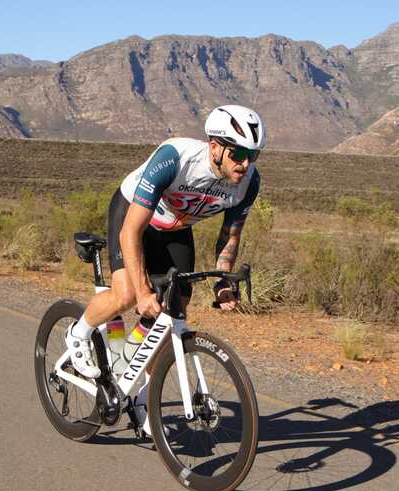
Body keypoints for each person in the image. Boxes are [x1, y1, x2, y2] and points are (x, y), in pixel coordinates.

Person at [66, 104, 266, 379]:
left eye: (253, 155)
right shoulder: (175, 158)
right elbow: (130, 232)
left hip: (176, 228)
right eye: (239, 154)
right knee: (127, 294)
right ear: (215, 147)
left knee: (175, 308)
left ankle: (139, 384)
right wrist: (143, 292)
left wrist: (222, 281)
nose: (245, 164)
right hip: (134, 216)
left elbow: (229, 236)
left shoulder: (248, 183)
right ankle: (78, 334)